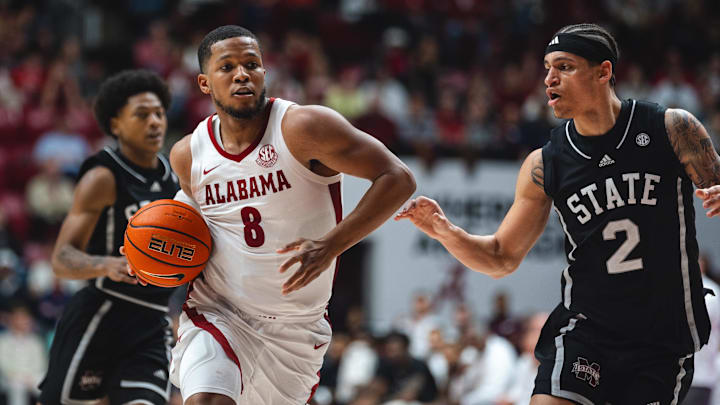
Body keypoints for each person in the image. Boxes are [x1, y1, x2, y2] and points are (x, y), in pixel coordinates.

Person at [396, 23, 720, 405]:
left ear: (603, 71)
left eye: (564, 66)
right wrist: (445, 231)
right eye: (547, 67)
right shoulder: (545, 163)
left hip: (661, 335)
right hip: (588, 329)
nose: (549, 78)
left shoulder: (670, 128)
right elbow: (501, 257)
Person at [146, 25, 415, 404]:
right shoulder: (188, 154)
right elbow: (189, 224)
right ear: (205, 84)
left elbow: (398, 178)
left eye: (251, 64)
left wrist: (331, 245)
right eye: (227, 67)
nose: (242, 74)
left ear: (264, 74)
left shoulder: (304, 128)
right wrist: (150, 252)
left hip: (295, 330)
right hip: (219, 310)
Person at [38, 70, 179, 405]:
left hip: (152, 322)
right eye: (142, 115)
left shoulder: (176, 179)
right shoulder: (102, 176)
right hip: (102, 313)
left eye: (159, 114)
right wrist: (108, 264)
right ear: (116, 124)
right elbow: (61, 259)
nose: (155, 123)